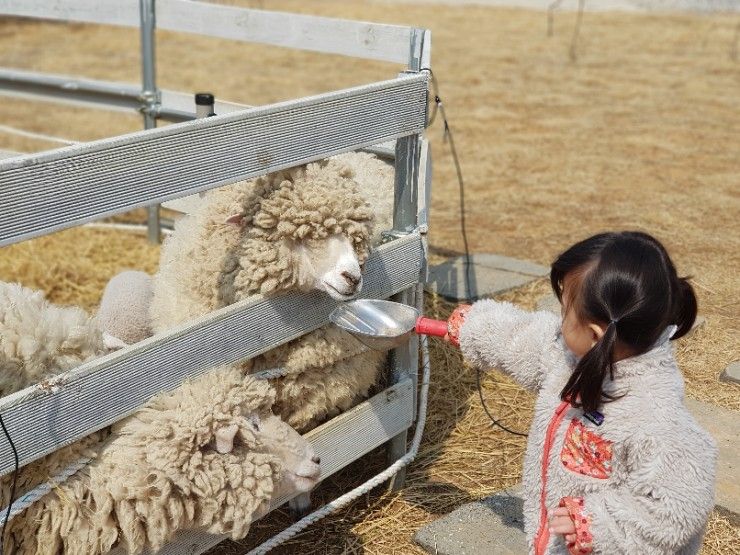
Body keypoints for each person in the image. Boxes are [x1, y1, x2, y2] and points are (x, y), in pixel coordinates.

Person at [454, 231, 717, 554]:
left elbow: (679, 505)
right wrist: (476, 327)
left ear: (594, 335)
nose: (559, 323)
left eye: (565, 313)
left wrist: (596, 527)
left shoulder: (653, 415)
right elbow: (526, 340)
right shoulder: (572, 356)